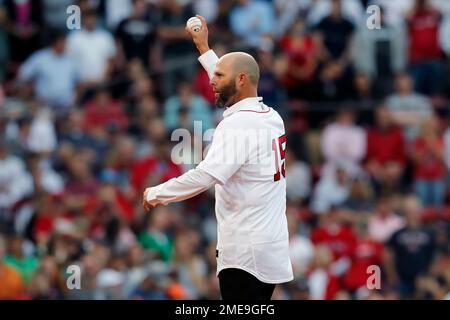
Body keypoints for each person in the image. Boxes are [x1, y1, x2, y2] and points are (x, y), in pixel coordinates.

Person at [142, 15, 293, 300]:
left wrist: (158, 193)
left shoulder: (237, 125)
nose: (211, 81)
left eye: (218, 76)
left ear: (240, 80)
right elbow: (235, 86)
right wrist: (204, 48)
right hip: (269, 246)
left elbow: (206, 175)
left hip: (244, 252)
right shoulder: (271, 116)